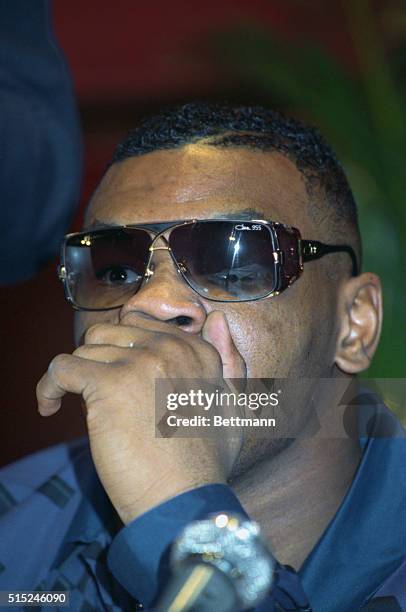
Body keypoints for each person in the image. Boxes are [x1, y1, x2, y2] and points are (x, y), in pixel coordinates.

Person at [1, 103, 405, 611]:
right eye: (117, 270)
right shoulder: (12, 527)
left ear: (355, 323)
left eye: (232, 262)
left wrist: (180, 518)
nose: (152, 302)